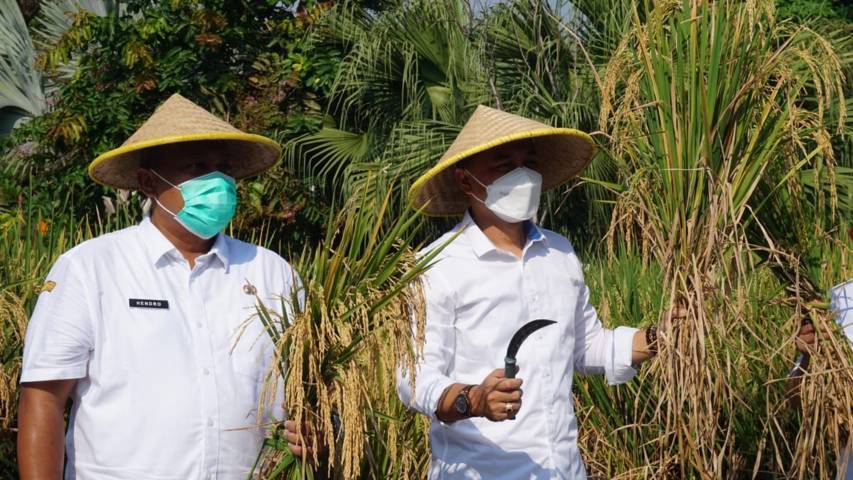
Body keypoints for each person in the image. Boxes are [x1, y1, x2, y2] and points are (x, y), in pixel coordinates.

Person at [17, 94, 304, 479]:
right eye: (197, 167)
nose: (216, 181)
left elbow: (307, 394)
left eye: (223, 169)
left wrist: (316, 432)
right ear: (148, 182)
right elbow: (44, 398)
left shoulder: (271, 273)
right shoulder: (91, 269)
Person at [396, 105, 683, 479]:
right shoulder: (437, 266)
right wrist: (474, 400)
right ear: (466, 181)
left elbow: (587, 346)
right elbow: (416, 379)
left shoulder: (559, 252)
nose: (523, 175)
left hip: (564, 469)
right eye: (503, 165)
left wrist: (662, 336)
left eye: (528, 162)